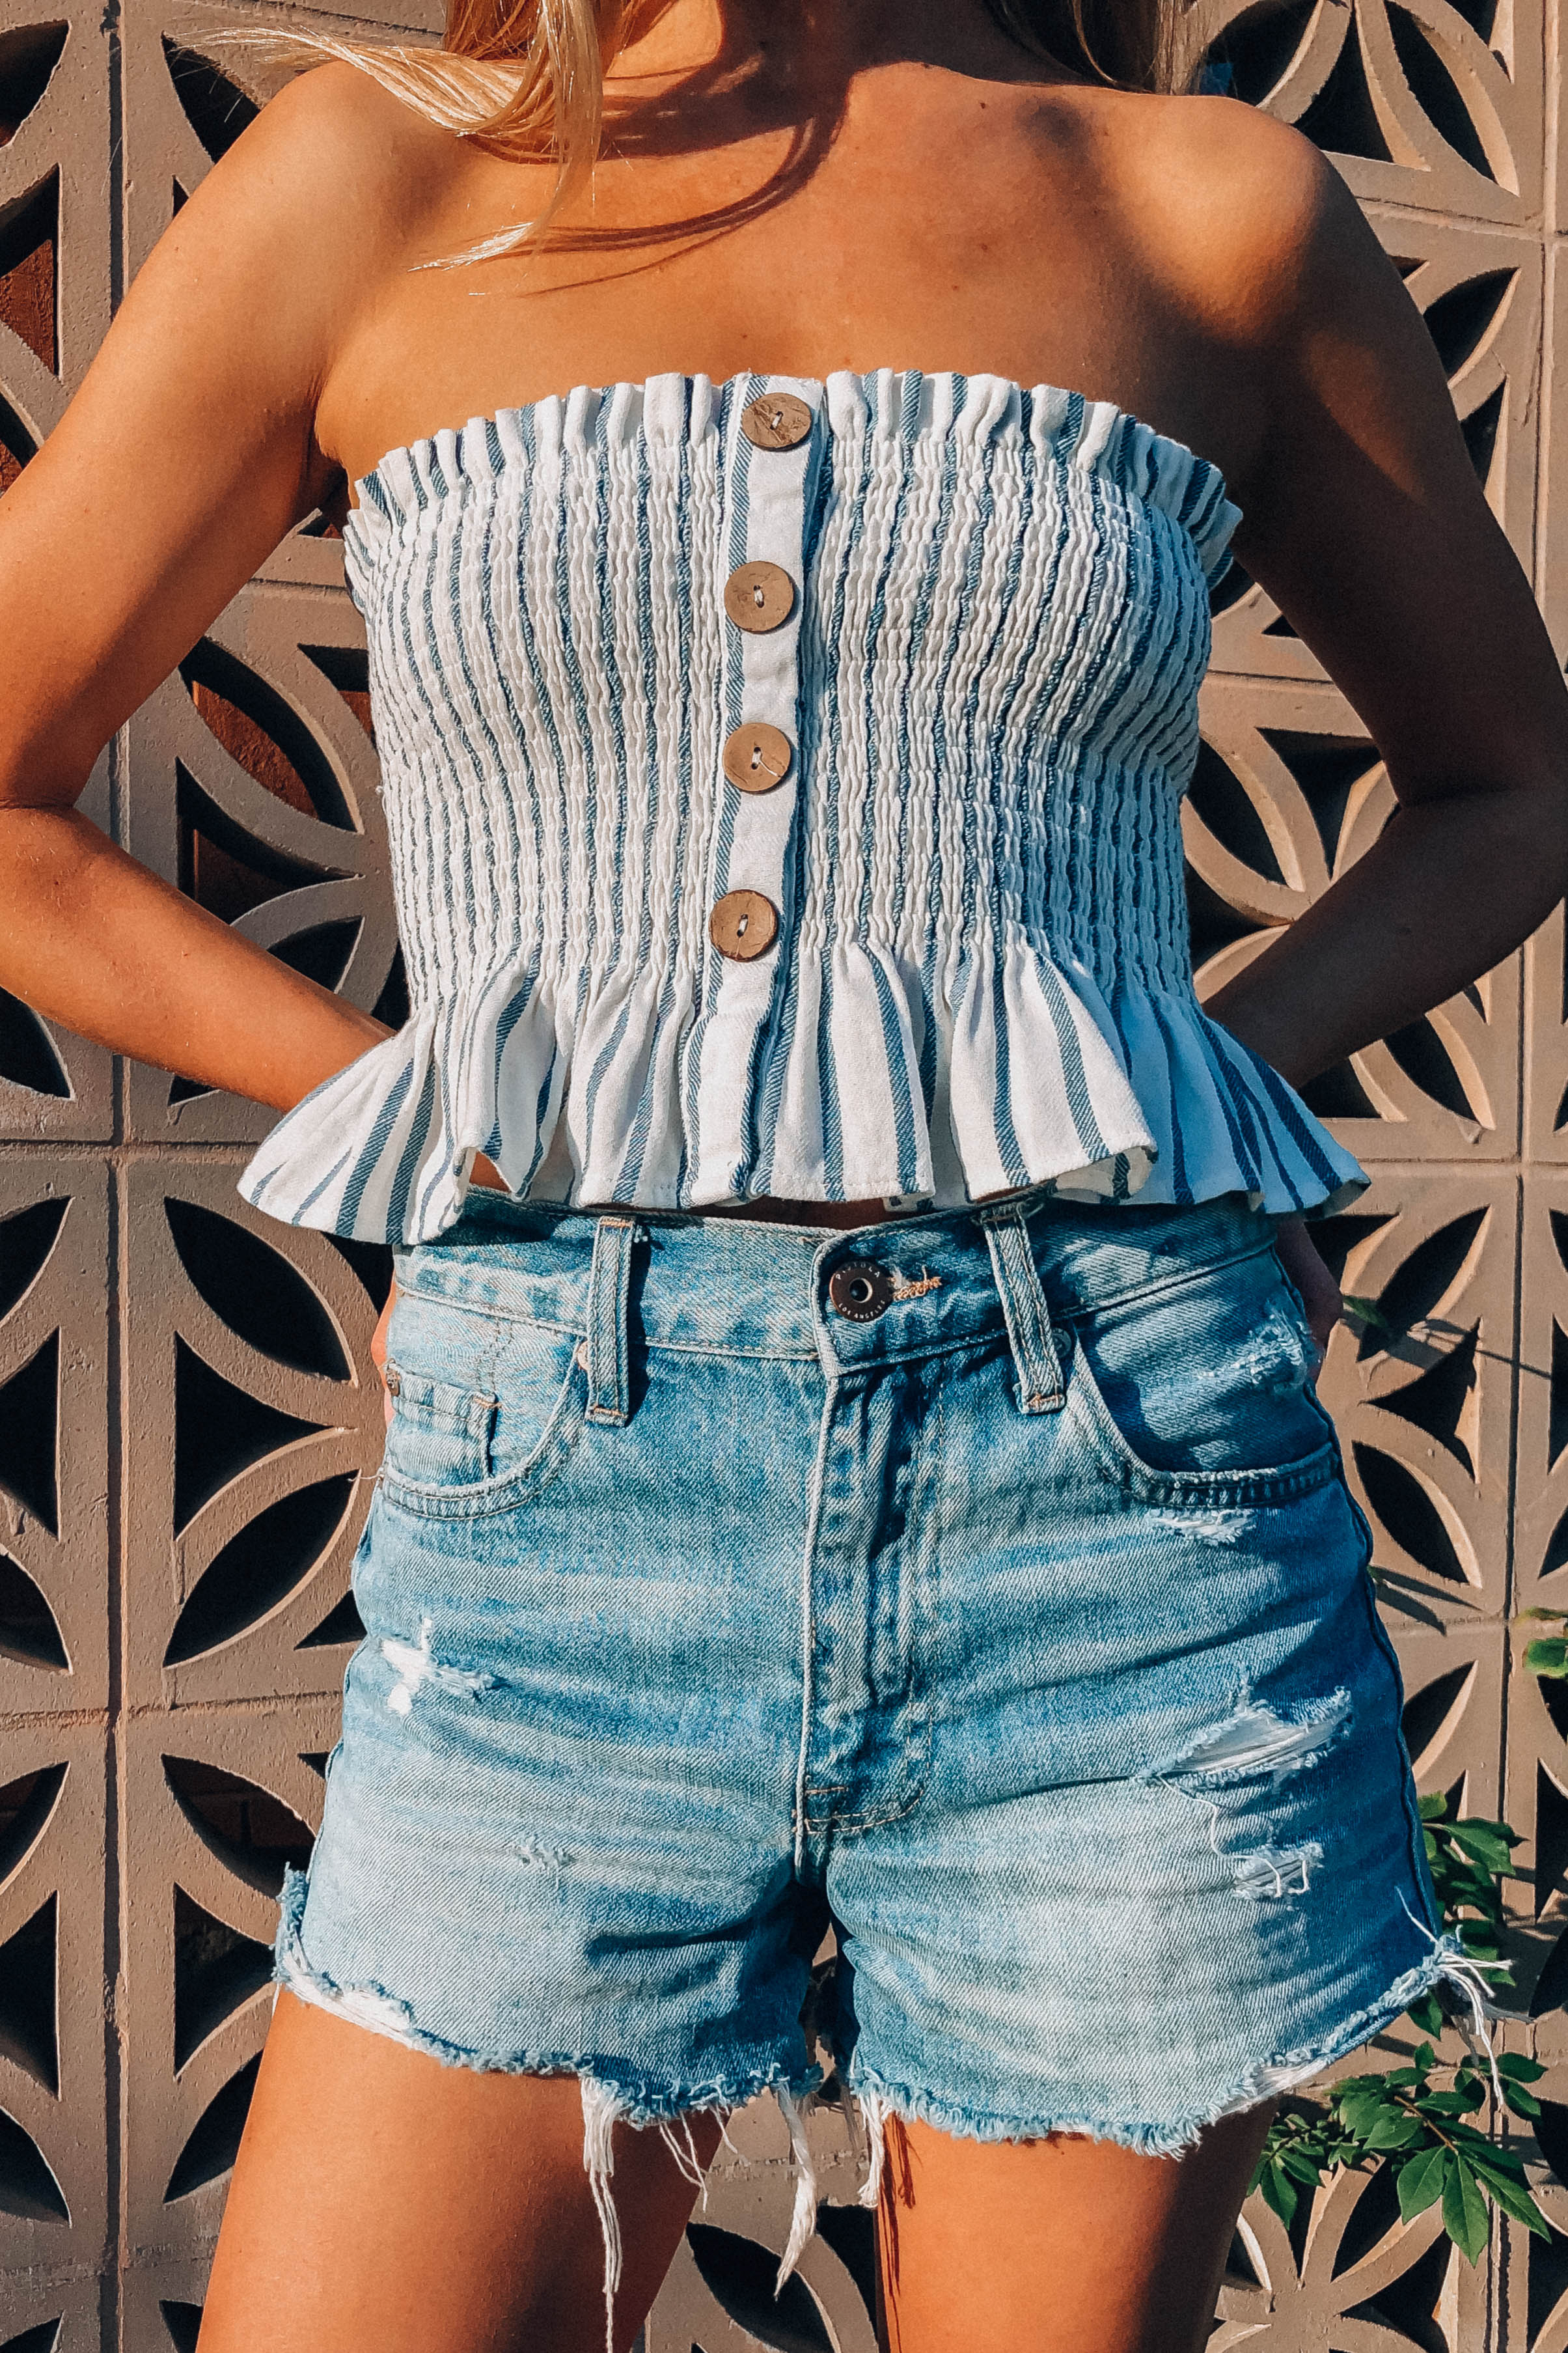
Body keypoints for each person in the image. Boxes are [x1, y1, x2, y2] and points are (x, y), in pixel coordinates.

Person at [1, 0, 1563, 2345]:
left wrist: (1174, 1090)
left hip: (1115, 1496)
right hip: (563, 1510)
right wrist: (412, 1113)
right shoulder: (377, 180)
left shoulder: (1202, 205)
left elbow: (1507, 785)